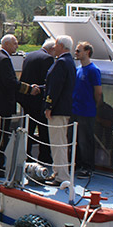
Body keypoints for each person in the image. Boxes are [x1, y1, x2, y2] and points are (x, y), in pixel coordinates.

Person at [0, 34, 39, 177]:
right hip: (2, 106)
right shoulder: (3, 60)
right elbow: (9, 82)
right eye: (14, 43)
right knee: (1, 137)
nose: (17, 46)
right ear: (7, 44)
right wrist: (28, 89)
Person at [44, 35, 76, 185]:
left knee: (58, 143)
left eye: (55, 45)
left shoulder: (62, 63)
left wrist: (49, 106)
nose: (53, 48)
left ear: (61, 46)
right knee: (60, 142)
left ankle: (61, 176)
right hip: (65, 108)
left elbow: (55, 87)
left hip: (58, 109)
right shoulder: (70, 62)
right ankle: (58, 171)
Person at [18, 38, 56, 165]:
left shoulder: (29, 56)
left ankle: (26, 155)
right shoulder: (48, 59)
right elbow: (48, 81)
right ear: (51, 49)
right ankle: (44, 156)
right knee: (43, 130)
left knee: (28, 129)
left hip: (26, 99)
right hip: (38, 101)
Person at [72, 41, 102, 176]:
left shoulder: (93, 70)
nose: (76, 53)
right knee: (76, 139)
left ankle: (88, 167)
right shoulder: (78, 69)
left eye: (79, 51)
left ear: (87, 52)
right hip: (75, 109)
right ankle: (77, 164)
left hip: (87, 111)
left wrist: (95, 104)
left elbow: (98, 91)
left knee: (86, 140)